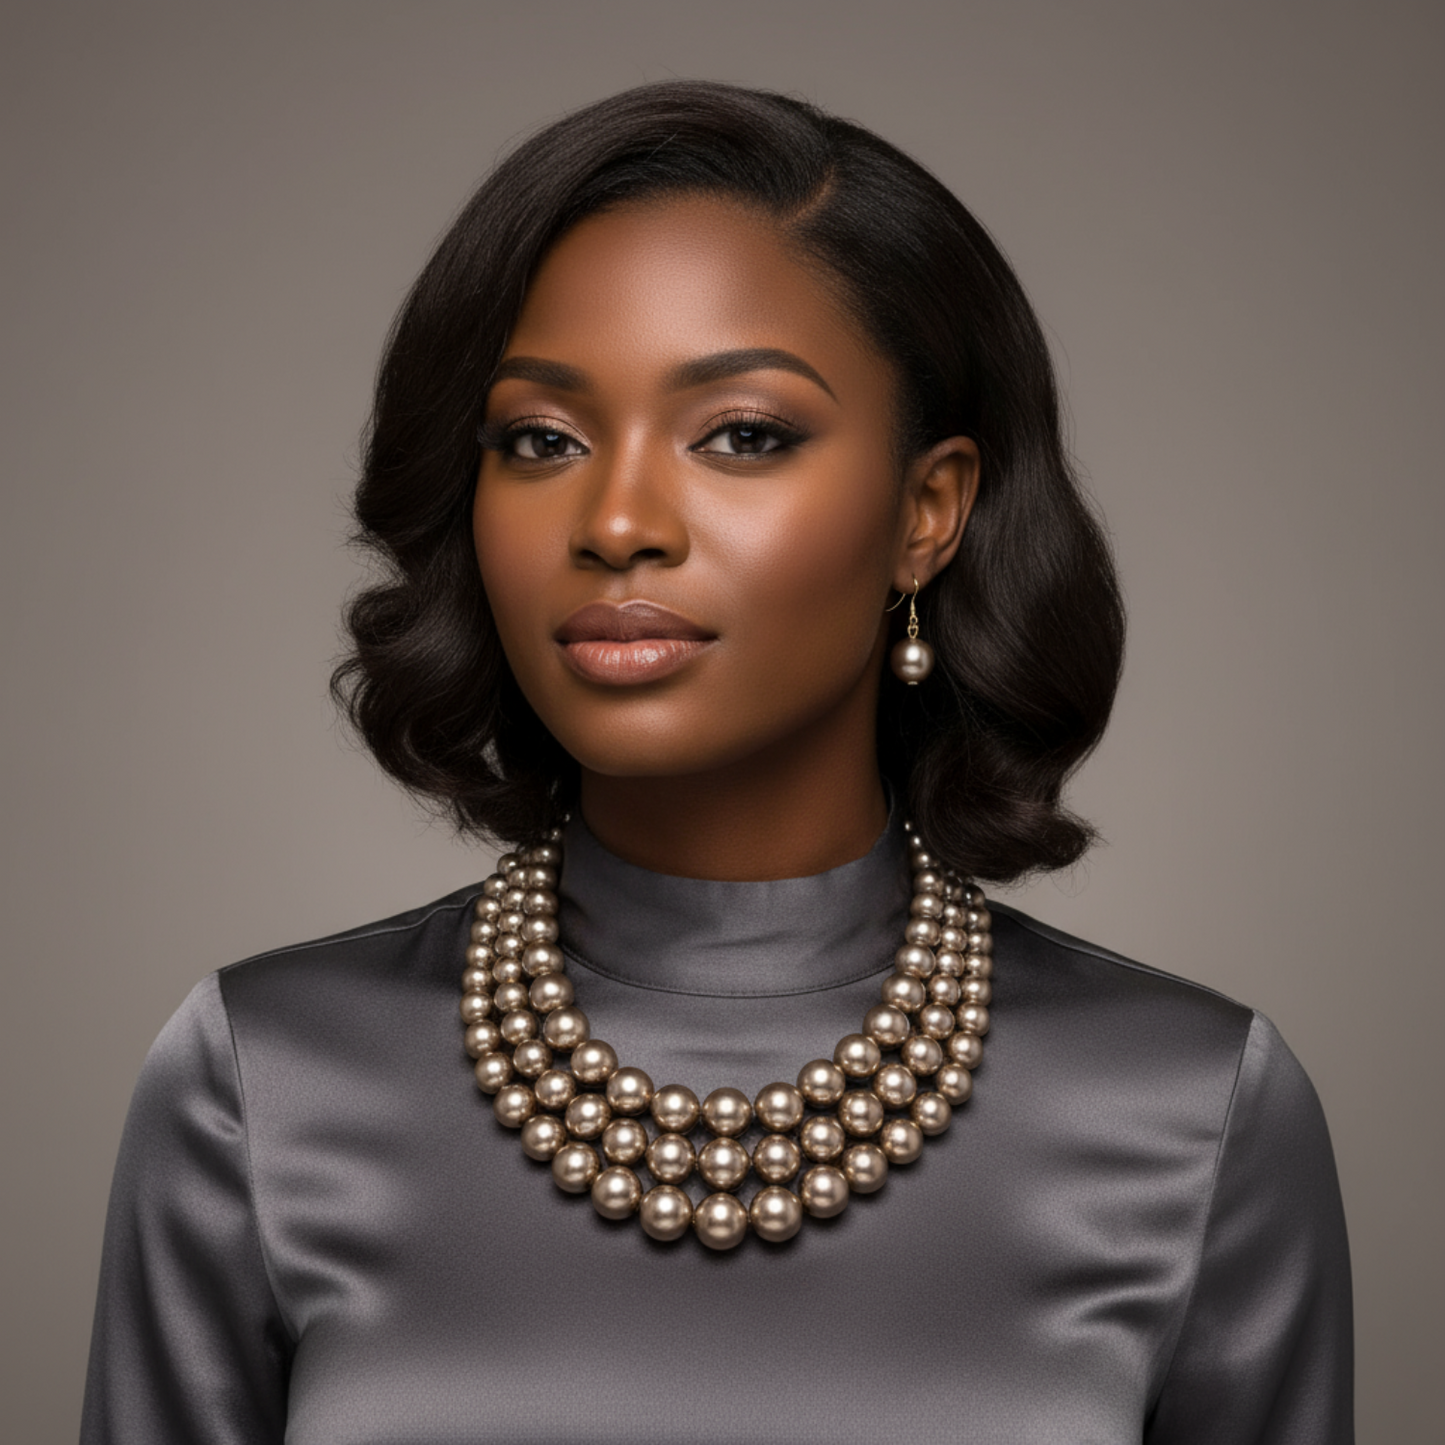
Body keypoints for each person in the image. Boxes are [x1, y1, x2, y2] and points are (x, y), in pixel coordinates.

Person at [81, 81, 1352, 1443]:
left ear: (929, 513)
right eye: (541, 441)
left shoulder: (1198, 1112)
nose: (618, 519)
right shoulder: (260, 1086)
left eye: (743, 435)